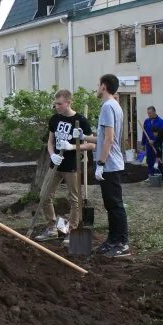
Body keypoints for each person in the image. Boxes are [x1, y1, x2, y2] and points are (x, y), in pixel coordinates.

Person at [79, 74, 129, 257]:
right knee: (111, 205)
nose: (97, 87)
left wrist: (100, 163)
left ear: (104, 87)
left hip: (110, 164)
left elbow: (108, 139)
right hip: (110, 163)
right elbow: (102, 138)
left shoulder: (108, 107)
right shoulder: (114, 105)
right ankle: (113, 239)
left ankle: (121, 242)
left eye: (98, 84)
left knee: (115, 205)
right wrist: (84, 137)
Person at [35, 89, 94, 242]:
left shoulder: (80, 121)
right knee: (44, 196)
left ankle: (71, 231)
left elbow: (91, 145)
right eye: (55, 104)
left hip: (72, 166)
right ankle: (52, 227)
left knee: (74, 199)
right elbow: (50, 142)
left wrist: (72, 147)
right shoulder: (54, 119)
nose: (57, 107)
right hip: (55, 165)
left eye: (59, 104)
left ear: (69, 102)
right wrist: (52, 154)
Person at [141, 106, 163, 178]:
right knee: (149, 160)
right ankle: (150, 176)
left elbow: (162, 136)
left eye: (150, 113)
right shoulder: (146, 121)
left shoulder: (161, 122)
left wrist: (154, 141)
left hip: (157, 145)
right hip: (148, 144)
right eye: (148, 113)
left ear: (154, 112)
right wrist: (143, 143)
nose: (149, 115)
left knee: (157, 159)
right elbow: (144, 133)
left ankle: (158, 176)